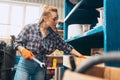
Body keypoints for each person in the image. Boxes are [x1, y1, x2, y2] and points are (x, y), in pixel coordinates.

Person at [13, 5, 85, 80]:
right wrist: (23, 50)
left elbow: (66, 46)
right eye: (54, 19)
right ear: (45, 18)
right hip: (25, 64)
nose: (56, 22)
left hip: (40, 66)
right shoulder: (29, 28)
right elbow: (16, 43)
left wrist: (80, 55)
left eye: (57, 19)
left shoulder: (54, 36)